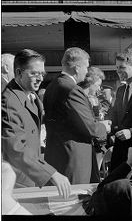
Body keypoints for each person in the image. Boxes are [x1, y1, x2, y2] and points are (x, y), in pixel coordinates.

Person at [2, 49, 71, 199]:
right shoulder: (8, 102)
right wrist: (51, 173)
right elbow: (16, 148)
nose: (40, 78)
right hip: (16, 184)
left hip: (29, 178)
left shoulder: (30, 95)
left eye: (42, 74)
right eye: (34, 73)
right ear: (19, 73)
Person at [43, 47, 111, 184]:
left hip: (58, 156)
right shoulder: (71, 89)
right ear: (77, 68)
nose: (87, 71)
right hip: (73, 160)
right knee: (75, 201)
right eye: (86, 67)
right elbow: (90, 128)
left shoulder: (52, 85)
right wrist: (104, 127)